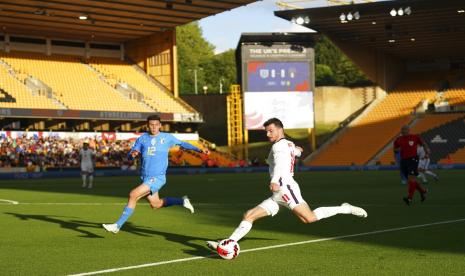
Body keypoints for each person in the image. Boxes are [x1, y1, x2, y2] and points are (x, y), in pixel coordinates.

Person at [206, 118, 367, 250]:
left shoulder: (278, 147)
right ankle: (227, 244)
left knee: (309, 218)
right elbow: (293, 152)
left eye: (271, 130)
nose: (268, 134)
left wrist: (275, 180)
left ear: (280, 129)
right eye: (267, 131)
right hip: (278, 194)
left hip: (285, 189)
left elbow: (282, 165)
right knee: (249, 215)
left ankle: (345, 208)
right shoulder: (287, 144)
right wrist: (297, 151)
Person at [103, 114, 209, 233]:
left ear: (160, 125)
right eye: (151, 125)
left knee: (133, 194)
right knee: (156, 204)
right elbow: (131, 154)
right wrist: (132, 155)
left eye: (156, 125)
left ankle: (117, 225)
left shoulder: (167, 137)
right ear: (147, 126)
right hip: (146, 178)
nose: (153, 127)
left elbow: (183, 144)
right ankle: (182, 201)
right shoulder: (142, 138)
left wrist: (200, 150)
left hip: (157, 177)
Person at [393, 125, 429, 206]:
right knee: (410, 181)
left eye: (405, 129)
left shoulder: (415, 137)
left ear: (409, 130)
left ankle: (409, 198)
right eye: (402, 129)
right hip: (403, 161)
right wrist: (396, 150)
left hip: (413, 160)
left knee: (411, 178)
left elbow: (424, 144)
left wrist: (427, 152)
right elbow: (395, 150)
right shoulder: (398, 140)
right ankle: (423, 191)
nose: (403, 131)